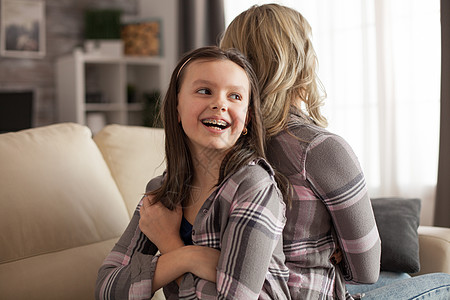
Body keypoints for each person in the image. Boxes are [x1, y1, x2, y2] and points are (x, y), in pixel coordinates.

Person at [220, 3, 450, 300]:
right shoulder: (319, 148)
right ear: (300, 62)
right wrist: (332, 245)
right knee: (445, 282)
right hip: (306, 293)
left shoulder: (223, 143)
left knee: (400, 276)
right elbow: (366, 271)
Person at [95, 46, 291, 299]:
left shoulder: (254, 186)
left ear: (247, 118)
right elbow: (106, 288)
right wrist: (190, 257)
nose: (220, 103)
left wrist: (169, 243)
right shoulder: (161, 191)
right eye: (204, 91)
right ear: (176, 107)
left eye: (235, 96)